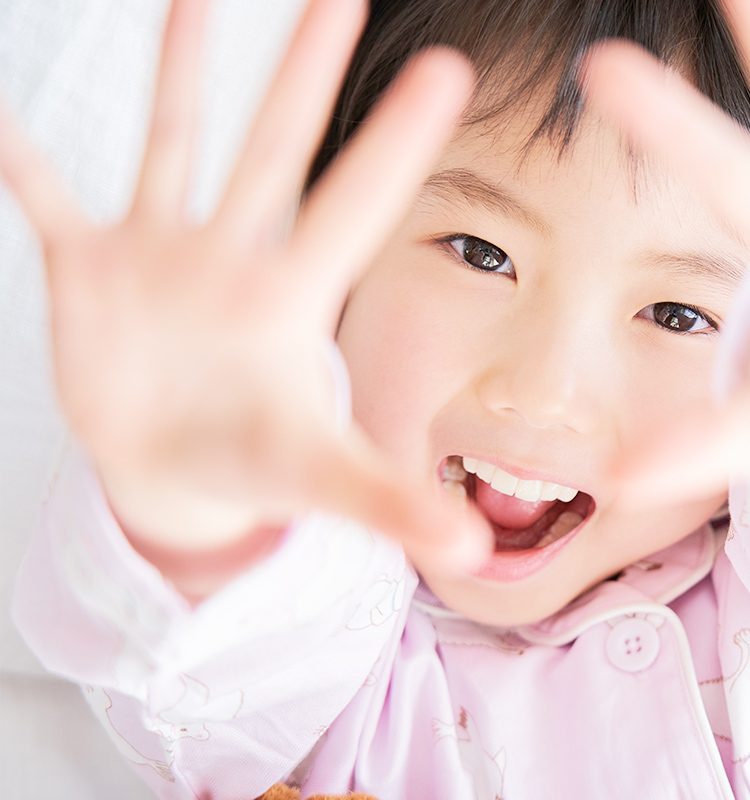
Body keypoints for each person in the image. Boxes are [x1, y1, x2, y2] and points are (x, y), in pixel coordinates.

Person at [2, 0, 750, 796]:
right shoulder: (330, 634)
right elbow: (225, 644)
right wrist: (195, 508)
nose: (543, 393)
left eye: (679, 316)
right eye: (481, 253)